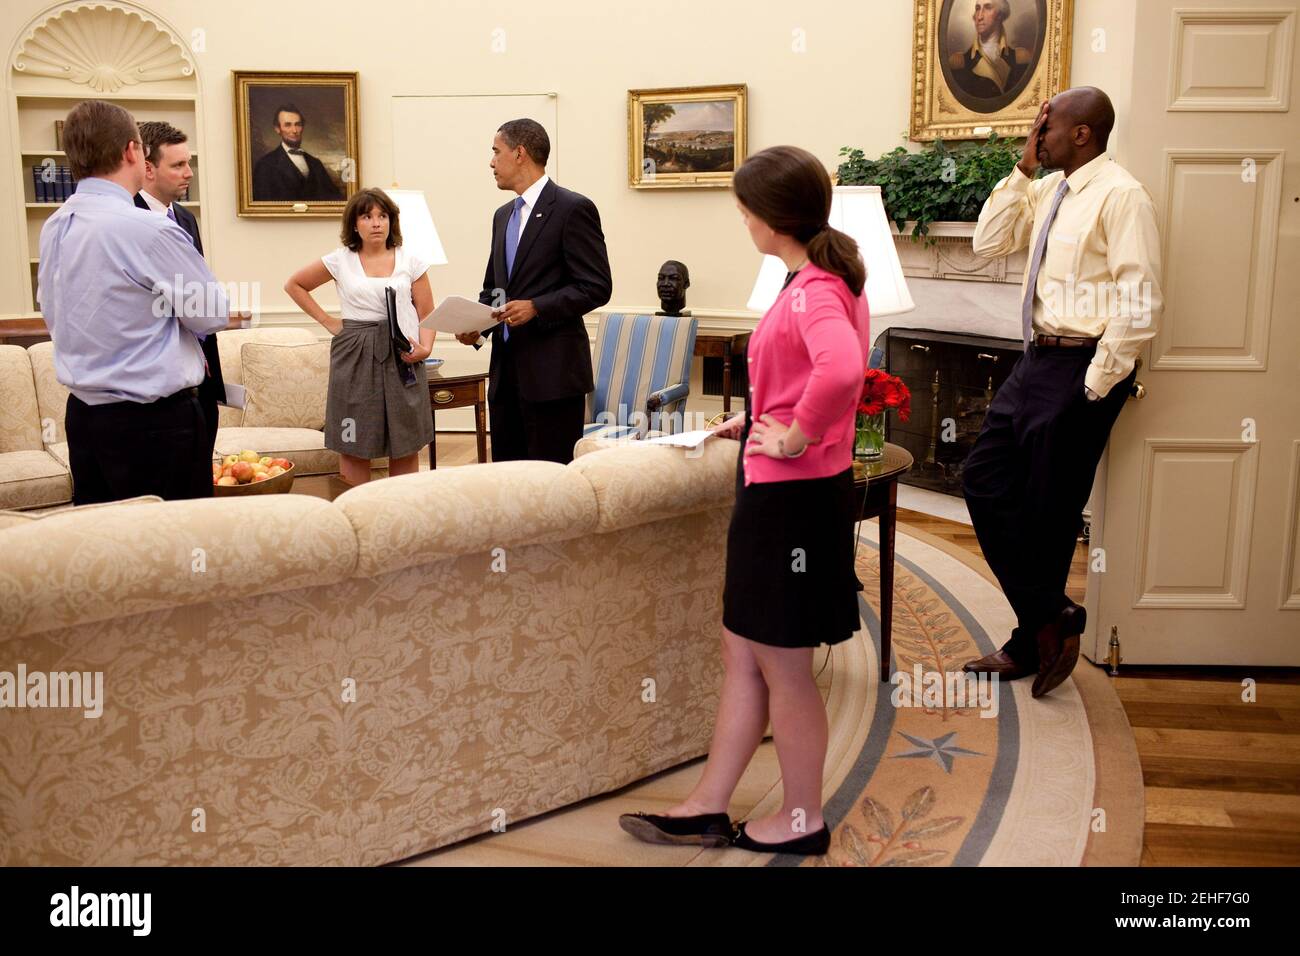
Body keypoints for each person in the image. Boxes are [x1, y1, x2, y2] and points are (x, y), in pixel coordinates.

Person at [619, 145, 870, 856]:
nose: (741, 218)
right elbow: (806, 375)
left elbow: (844, 369)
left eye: (743, 208)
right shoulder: (818, 278)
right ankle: (707, 804)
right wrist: (761, 416)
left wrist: (792, 436)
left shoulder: (816, 286)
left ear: (768, 217)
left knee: (782, 665)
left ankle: (802, 821)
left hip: (791, 501)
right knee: (743, 651)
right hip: (782, 492)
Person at [962, 87, 1162, 698]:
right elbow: (987, 243)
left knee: (1048, 511)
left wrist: (1095, 384)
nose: (1037, 133)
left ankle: (1029, 640)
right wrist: (1023, 167)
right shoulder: (1048, 189)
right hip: (1035, 359)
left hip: (1083, 366)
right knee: (983, 479)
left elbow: (1141, 298)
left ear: (1082, 134)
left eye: (1046, 126)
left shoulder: (1123, 196)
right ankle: (1056, 613)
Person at [37, 100, 232, 504]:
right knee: (173, 552)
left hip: (85, 419)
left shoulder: (54, 225)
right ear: (132, 151)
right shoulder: (150, 230)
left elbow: (54, 308)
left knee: (107, 552)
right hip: (155, 427)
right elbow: (211, 314)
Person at [455, 118, 612, 465]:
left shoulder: (573, 209)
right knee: (510, 484)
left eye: (496, 152)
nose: (491, 162)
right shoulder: (501, 216)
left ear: (520, 153)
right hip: (505, 379)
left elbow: (597, 286)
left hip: (553, 379)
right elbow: (495, 291)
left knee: (553, 485)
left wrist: (538, 307)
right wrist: (477, 326)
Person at [284, 187, 435, 484]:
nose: (376, 223)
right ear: (355, 224)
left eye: (382, 216)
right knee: (353, 436)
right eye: (367, 216)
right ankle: (353, 513)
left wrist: (426, 347)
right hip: (354, 352)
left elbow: (426, 312)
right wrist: (328, 321)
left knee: (404, 437)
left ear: (392, 221)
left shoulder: (411, 261)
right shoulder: (340, 260)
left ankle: (404, 515)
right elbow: (295, 285)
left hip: (402, 353)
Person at [134, 120, 226, 457]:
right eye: (178, 165)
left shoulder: (185, 218)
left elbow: (196, 291)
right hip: (160, 382)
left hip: (199, 375)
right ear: (148, 169)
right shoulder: (128, 218)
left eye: (189, 163)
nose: (189, 173)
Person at [251, 104, 343, 202]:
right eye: (288, 125)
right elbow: (263, 207)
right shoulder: (265, 165)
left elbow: (335, 199)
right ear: (277, 129)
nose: (294, 130)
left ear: (302, 127)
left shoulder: (316, 164)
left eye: (298, 124)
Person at [949, 0, 1031, 101]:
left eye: (988, 8)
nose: (979, 17)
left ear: (1000, 15)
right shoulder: (959, 63)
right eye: (978, 8)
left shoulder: (1020, 59)